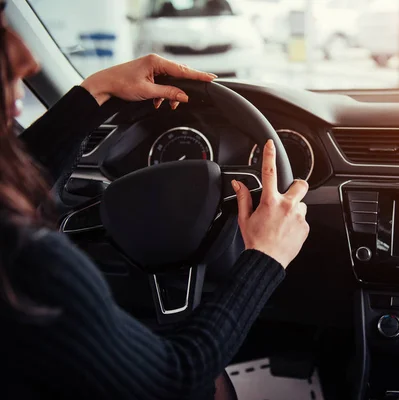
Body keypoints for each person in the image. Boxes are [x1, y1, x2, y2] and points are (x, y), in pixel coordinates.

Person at [0, 1, 310, 399]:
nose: (28, 61)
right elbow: (176, 379)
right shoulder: (26, 268)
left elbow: (13, 183)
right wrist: (265, 257)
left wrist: (99, 88)